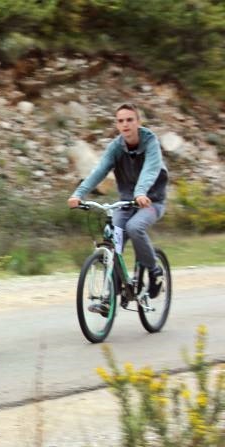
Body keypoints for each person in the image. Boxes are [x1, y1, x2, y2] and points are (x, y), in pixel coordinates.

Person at [68, 102, 169, 300]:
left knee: (134, 227)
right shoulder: (115, 147)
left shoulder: (151, 142)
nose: (125, 124)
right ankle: (111, 292)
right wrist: (78, 194)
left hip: (151, 202)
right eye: (120, 121)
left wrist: (140, 193)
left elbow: (150, 170)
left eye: (130, 120)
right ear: (117, 124)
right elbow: (99, 171)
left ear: (138, 122)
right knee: (113, 235)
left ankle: (155, 272)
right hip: (126, 203)